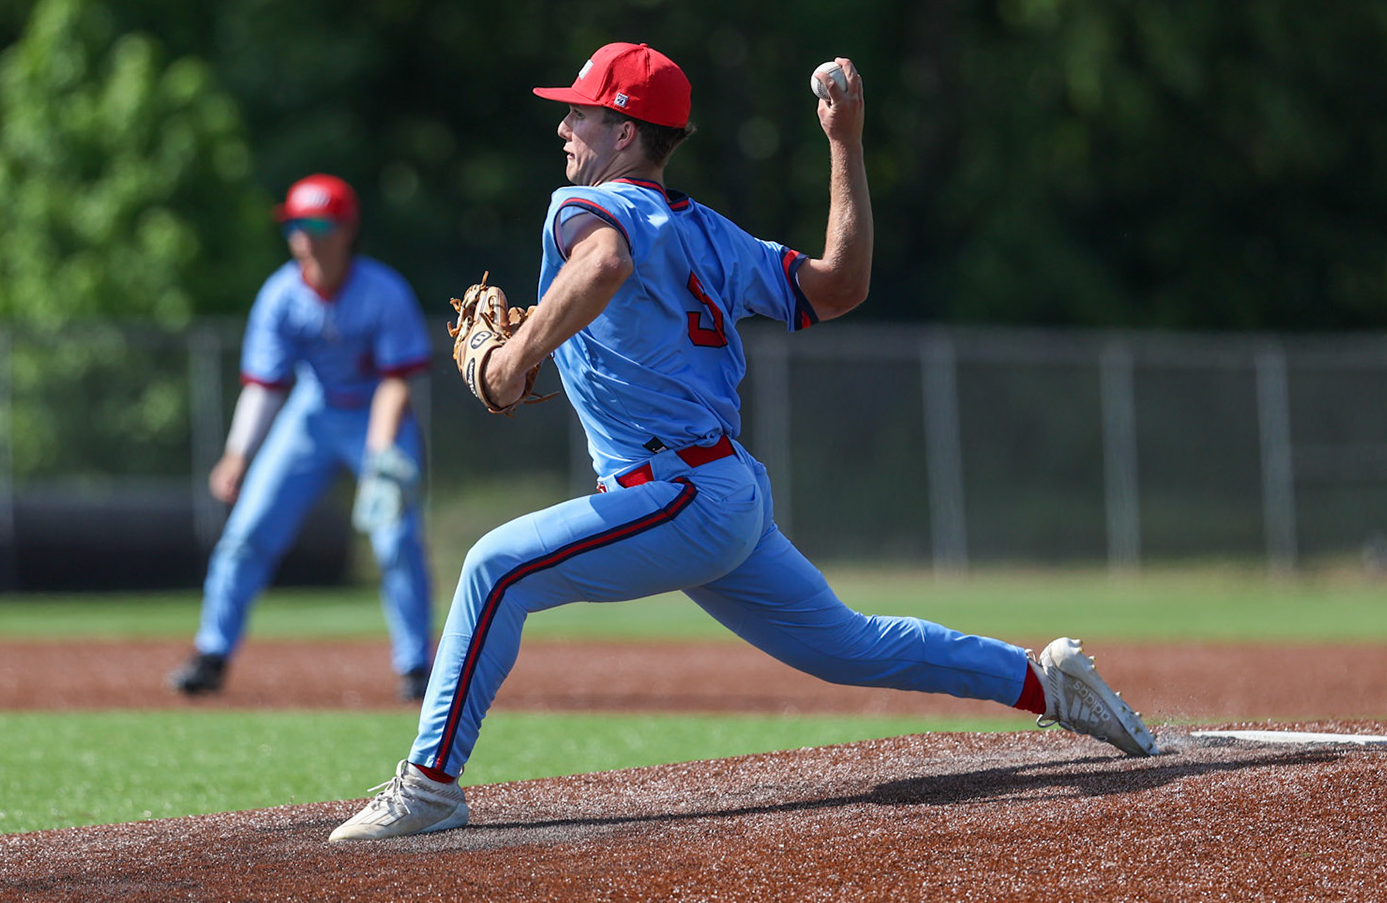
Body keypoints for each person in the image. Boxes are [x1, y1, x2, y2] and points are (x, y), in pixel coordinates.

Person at [327, 43, 1157, 842]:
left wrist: (512, 359)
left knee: (493, 568)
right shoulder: (713, 232)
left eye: (578, 113)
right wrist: (846, 146)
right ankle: (1042, 681)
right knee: (849, 646)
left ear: (624, 133)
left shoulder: (587, 207)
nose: (563, 128)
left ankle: (430, 787)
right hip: (722, 494)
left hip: (679, 496)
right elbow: (842, 287)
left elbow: (607, 262)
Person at [168, 173, 435, 702]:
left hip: (374, 417)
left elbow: (397, 380)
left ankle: (416, 666)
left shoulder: (383, 292)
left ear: (345, 230)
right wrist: (237, 455)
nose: (303, 235)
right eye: (295, 223)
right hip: (310, 413)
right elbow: (265, 387)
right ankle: (212, 652)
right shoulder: (279, 295)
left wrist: (381, 456)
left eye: (317, 223)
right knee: (247, 531)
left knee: (397, 539)